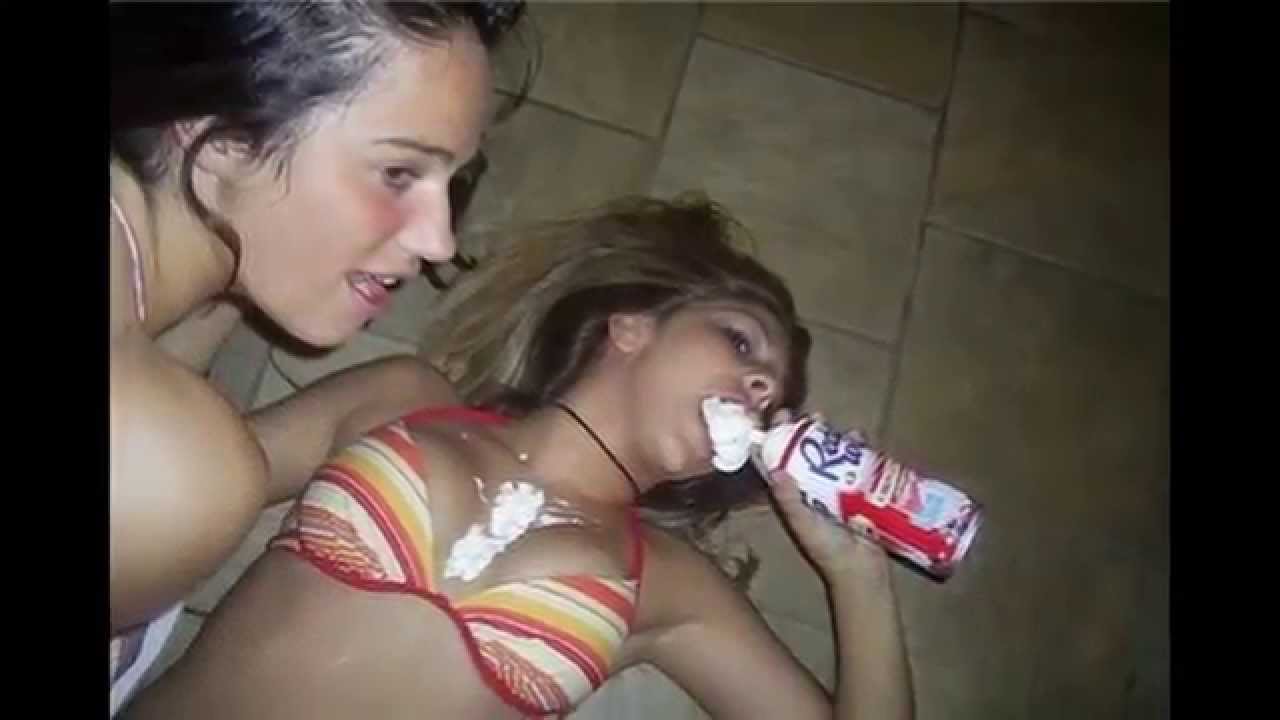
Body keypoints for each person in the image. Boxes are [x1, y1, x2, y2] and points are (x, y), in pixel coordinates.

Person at [126, 194, 916, 719]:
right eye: (741, 343)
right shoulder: (404, 399)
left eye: (771, 398)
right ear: (630, 327)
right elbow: (157, 485)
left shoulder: (671, 585)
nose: (760, 388)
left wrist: (858, 575)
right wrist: (229, 281)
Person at [109, 2, 527, 713]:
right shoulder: (168, 465)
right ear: (224, 137)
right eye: (398, 172)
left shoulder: (173, 277)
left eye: (451, 181)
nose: (440, 242)